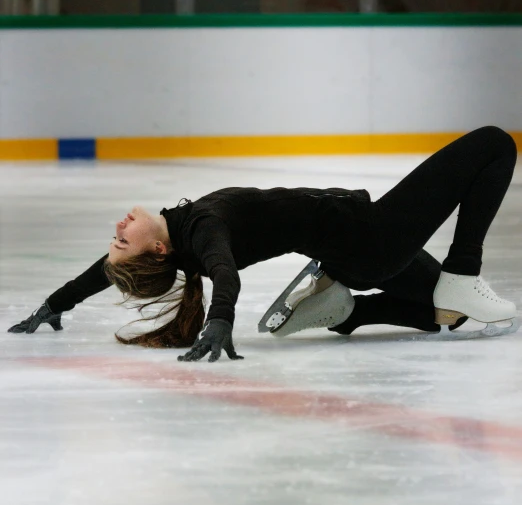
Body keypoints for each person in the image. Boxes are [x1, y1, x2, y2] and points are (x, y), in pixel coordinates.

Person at [7, 126, 519, 361]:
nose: (116, 230)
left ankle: (349, 314)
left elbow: (103, 271)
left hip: (355, 257)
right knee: (494, 144)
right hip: (373, 240)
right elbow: (225, 274)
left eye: (114, 239)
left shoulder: (181, 237)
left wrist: (54, 304)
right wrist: (220, 321)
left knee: (444, 318)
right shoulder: (203, 230)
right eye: (122, 240)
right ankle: (463, 273)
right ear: (157, 251)